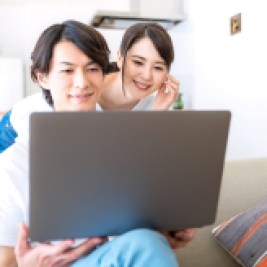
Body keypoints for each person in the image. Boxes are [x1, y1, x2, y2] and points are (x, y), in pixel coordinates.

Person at [0, 20, 194, 267]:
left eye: (92, 69)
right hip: (8, 128)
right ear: (42, 77)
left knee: (147, 242)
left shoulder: (131, 139)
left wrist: (167, 233)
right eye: (67, 70)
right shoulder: (17, 152)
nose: (81, 82)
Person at [0, 22, 179, 153]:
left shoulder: (156, 106)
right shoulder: (83, 92)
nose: (146, 76)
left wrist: (158, 116)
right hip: (14, 128)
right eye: (138, 62)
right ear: (120, 58)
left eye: (158, 67)